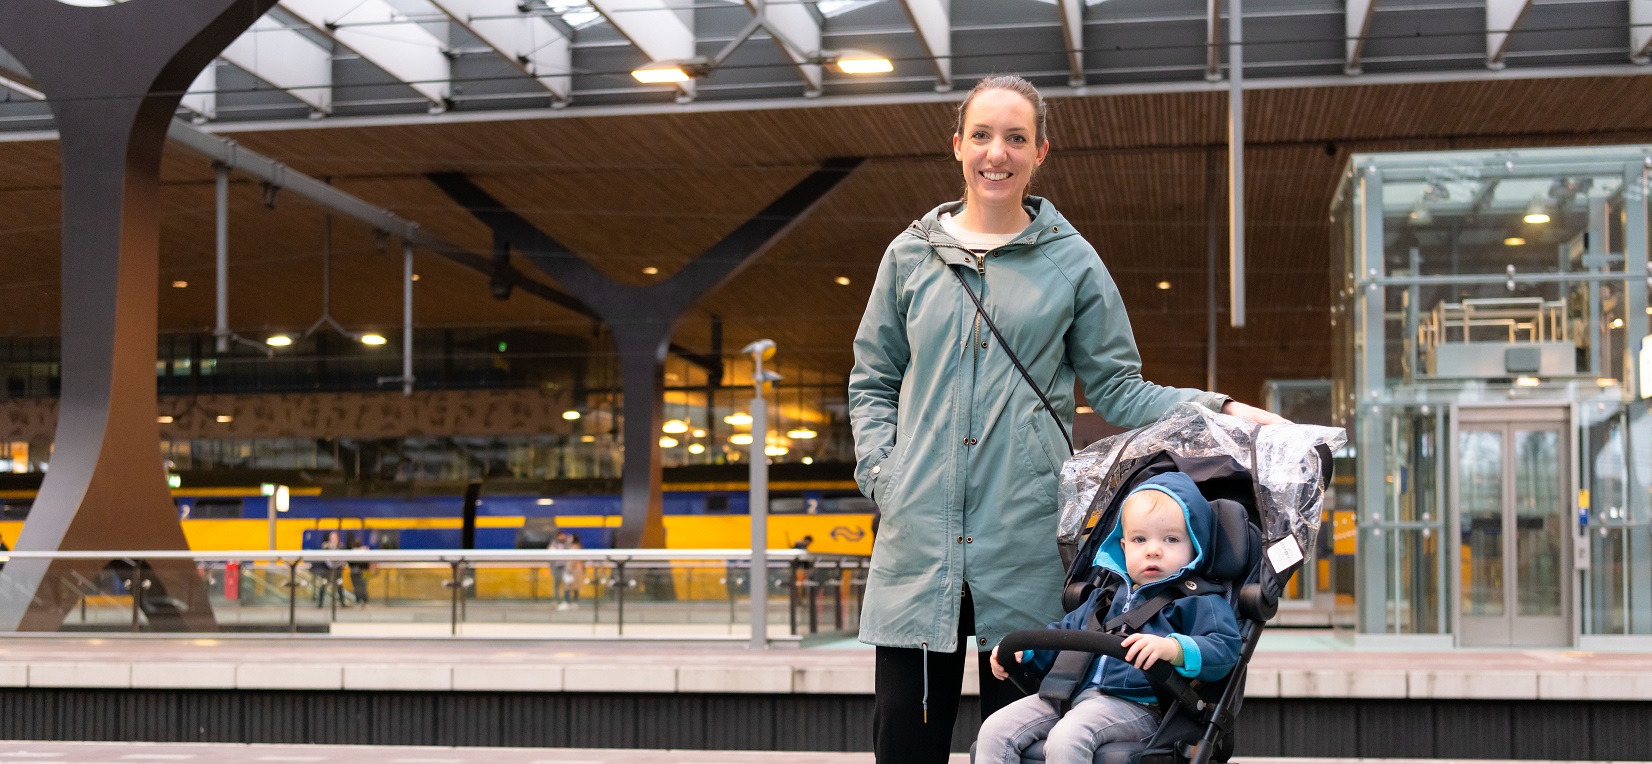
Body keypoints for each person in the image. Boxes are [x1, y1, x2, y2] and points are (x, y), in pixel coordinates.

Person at [846, 74, 1286, 764]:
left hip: (1020, 540)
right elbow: (872, 381)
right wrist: (885, 476)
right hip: (917, 537)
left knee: (1021, 738)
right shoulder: (910, 258)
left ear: (1040, 152)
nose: (998, 153)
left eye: (1016, 138)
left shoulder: (1072, 262)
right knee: (905, 738)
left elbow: (1118, 389)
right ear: (957, 146)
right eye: (983, 135)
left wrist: (1220, 408)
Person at [974, 473, 1242, 763]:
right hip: (1066, 694)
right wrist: (1024, 654)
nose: (1153, 549)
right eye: (1140, 539)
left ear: (1195, 545)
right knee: (994, 729)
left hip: (1137, 706)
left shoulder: (1198, 601)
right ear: (1123, 546)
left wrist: (1174, 649)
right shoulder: (1102, 600)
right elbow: (1063, 638)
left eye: (1171, 539)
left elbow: (1224, 649)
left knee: (1068, 737)